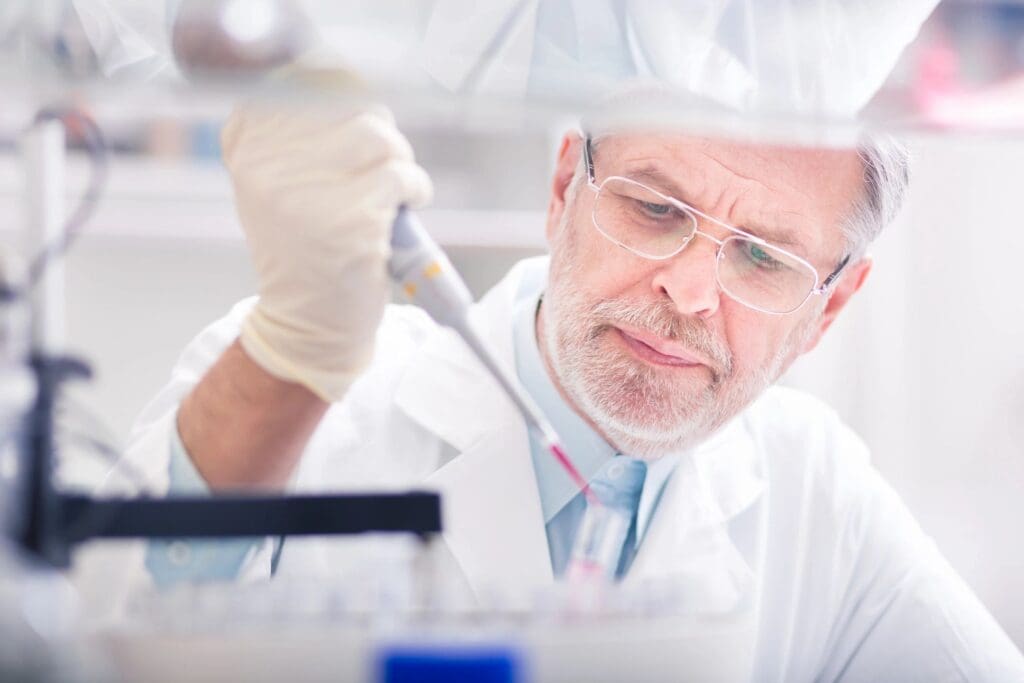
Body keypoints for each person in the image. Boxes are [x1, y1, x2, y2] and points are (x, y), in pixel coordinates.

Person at [100, 103, 1024, 681]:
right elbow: (92, 640)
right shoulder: (300, 385)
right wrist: (294, 348)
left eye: (762, 257)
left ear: (828, 308)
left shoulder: (818, 489)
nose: (691, 291)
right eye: (655, 208)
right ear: (562, 186)